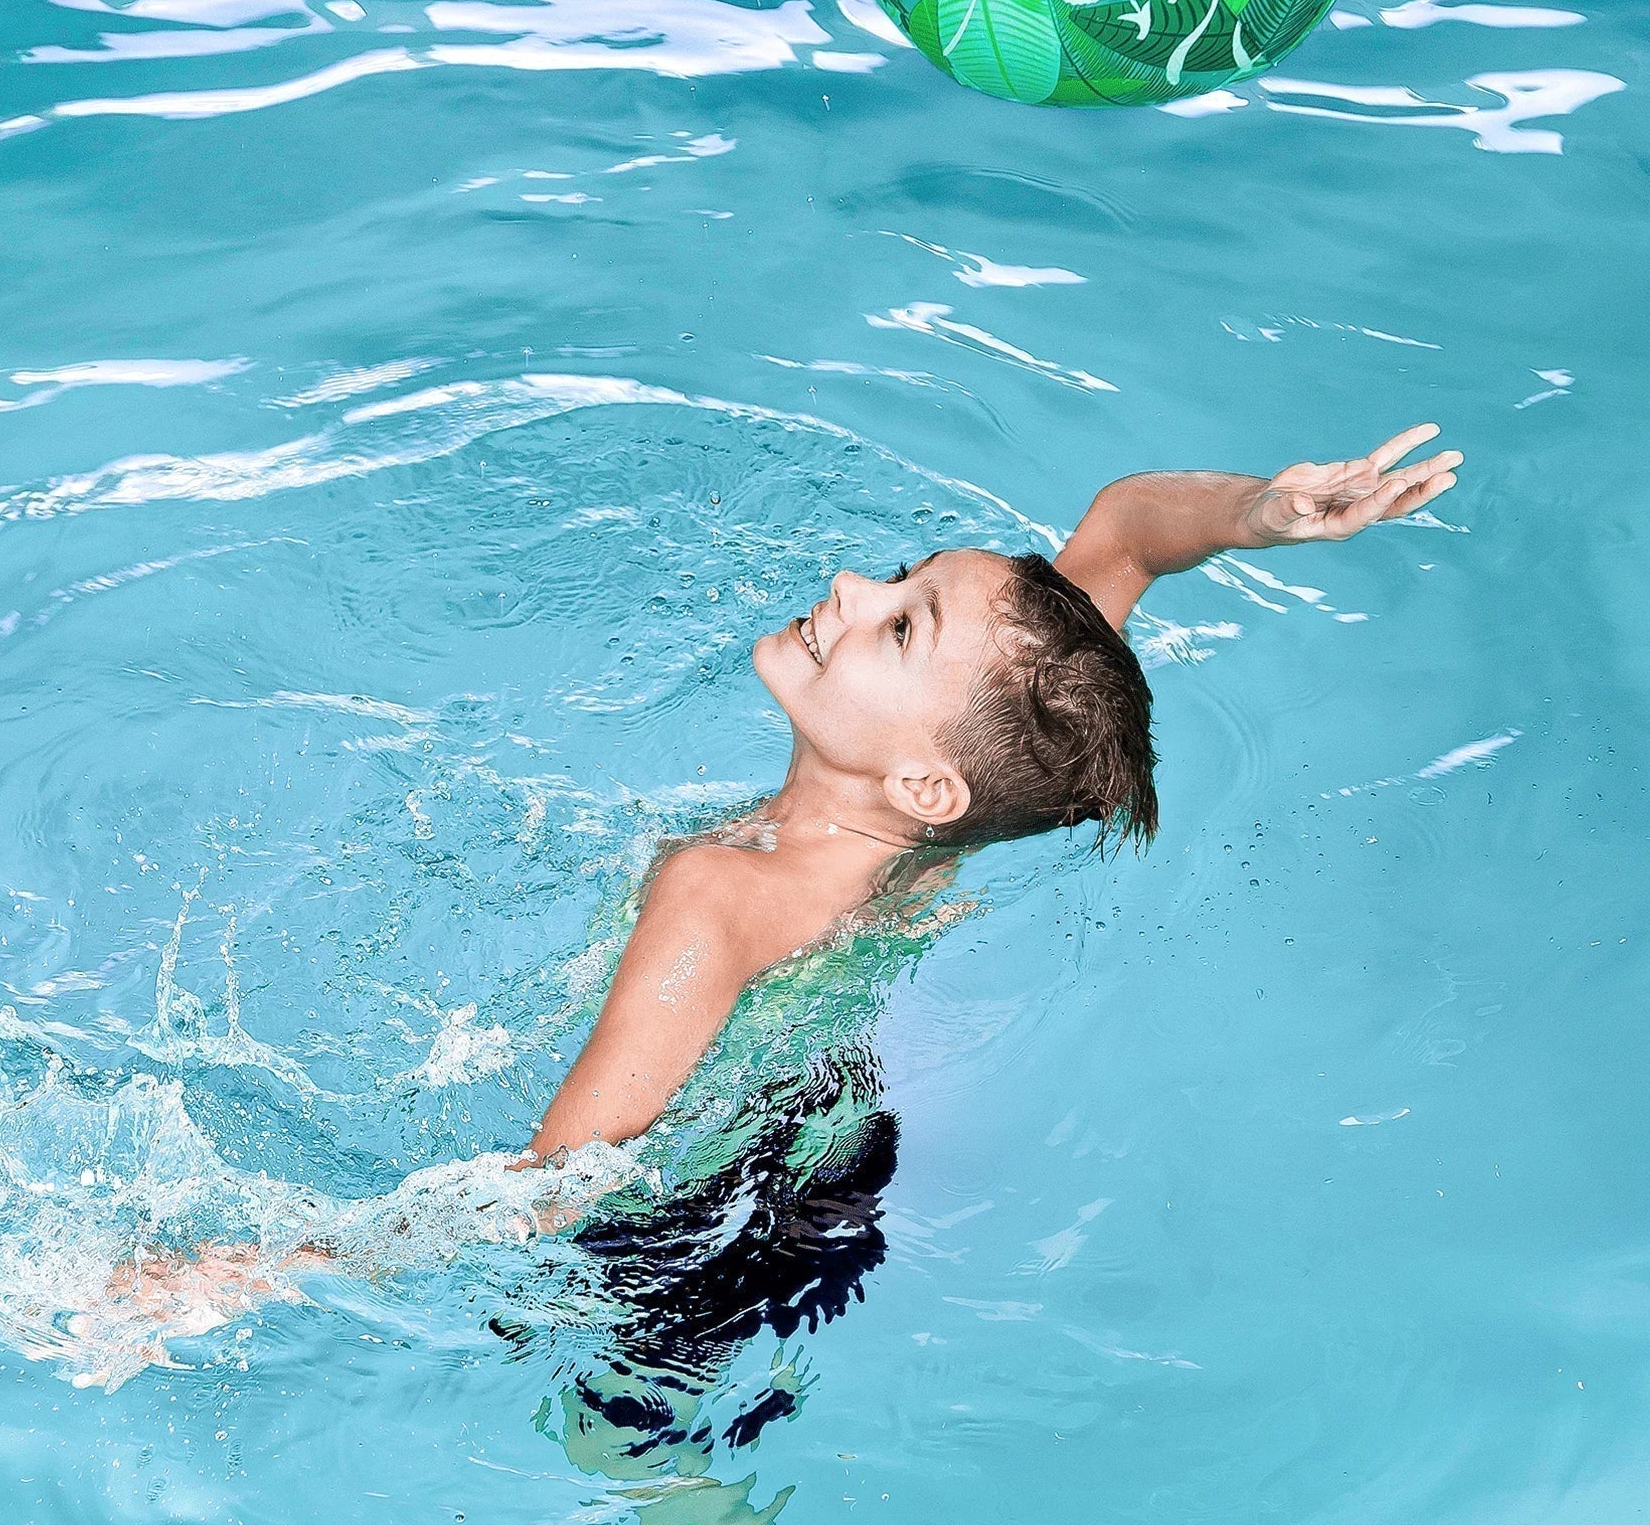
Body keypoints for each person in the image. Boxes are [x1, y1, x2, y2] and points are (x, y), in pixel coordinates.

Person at [79, 422, 1462, 1374]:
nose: (856, 586)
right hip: (830, 1142)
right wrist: (1263, 515)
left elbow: (559, 1190)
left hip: (684, 1232)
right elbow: (1126, 534)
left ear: (928, 779)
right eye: (907, 578)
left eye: (903, 621)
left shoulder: (720, 894)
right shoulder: (959, 804)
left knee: (634, 1461)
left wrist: (249, 1270)